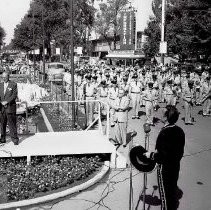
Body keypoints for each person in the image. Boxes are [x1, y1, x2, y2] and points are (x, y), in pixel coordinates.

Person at [144, 105, 185, 210]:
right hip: (175, 166)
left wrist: (151, 155)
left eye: (162, 112)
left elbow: (163, 156)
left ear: (166, 117)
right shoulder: (179, 130)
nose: (159, 113)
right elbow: (177, 152)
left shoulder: (165, 132)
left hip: (165, 169)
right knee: (171, 192)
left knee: (165, 196)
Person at [0, 71, 19, 145]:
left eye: (5, 77)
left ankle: (15, 140)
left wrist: (6, 102)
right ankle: (3, 139)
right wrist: (1, 102)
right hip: (1, 108)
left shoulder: (13, 84)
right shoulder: (0, 85)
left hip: (10, 107)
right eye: (2, 77)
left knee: (12, 124)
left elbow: (14, 95)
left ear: (8, 77)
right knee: (2, 124)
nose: (3, 78)